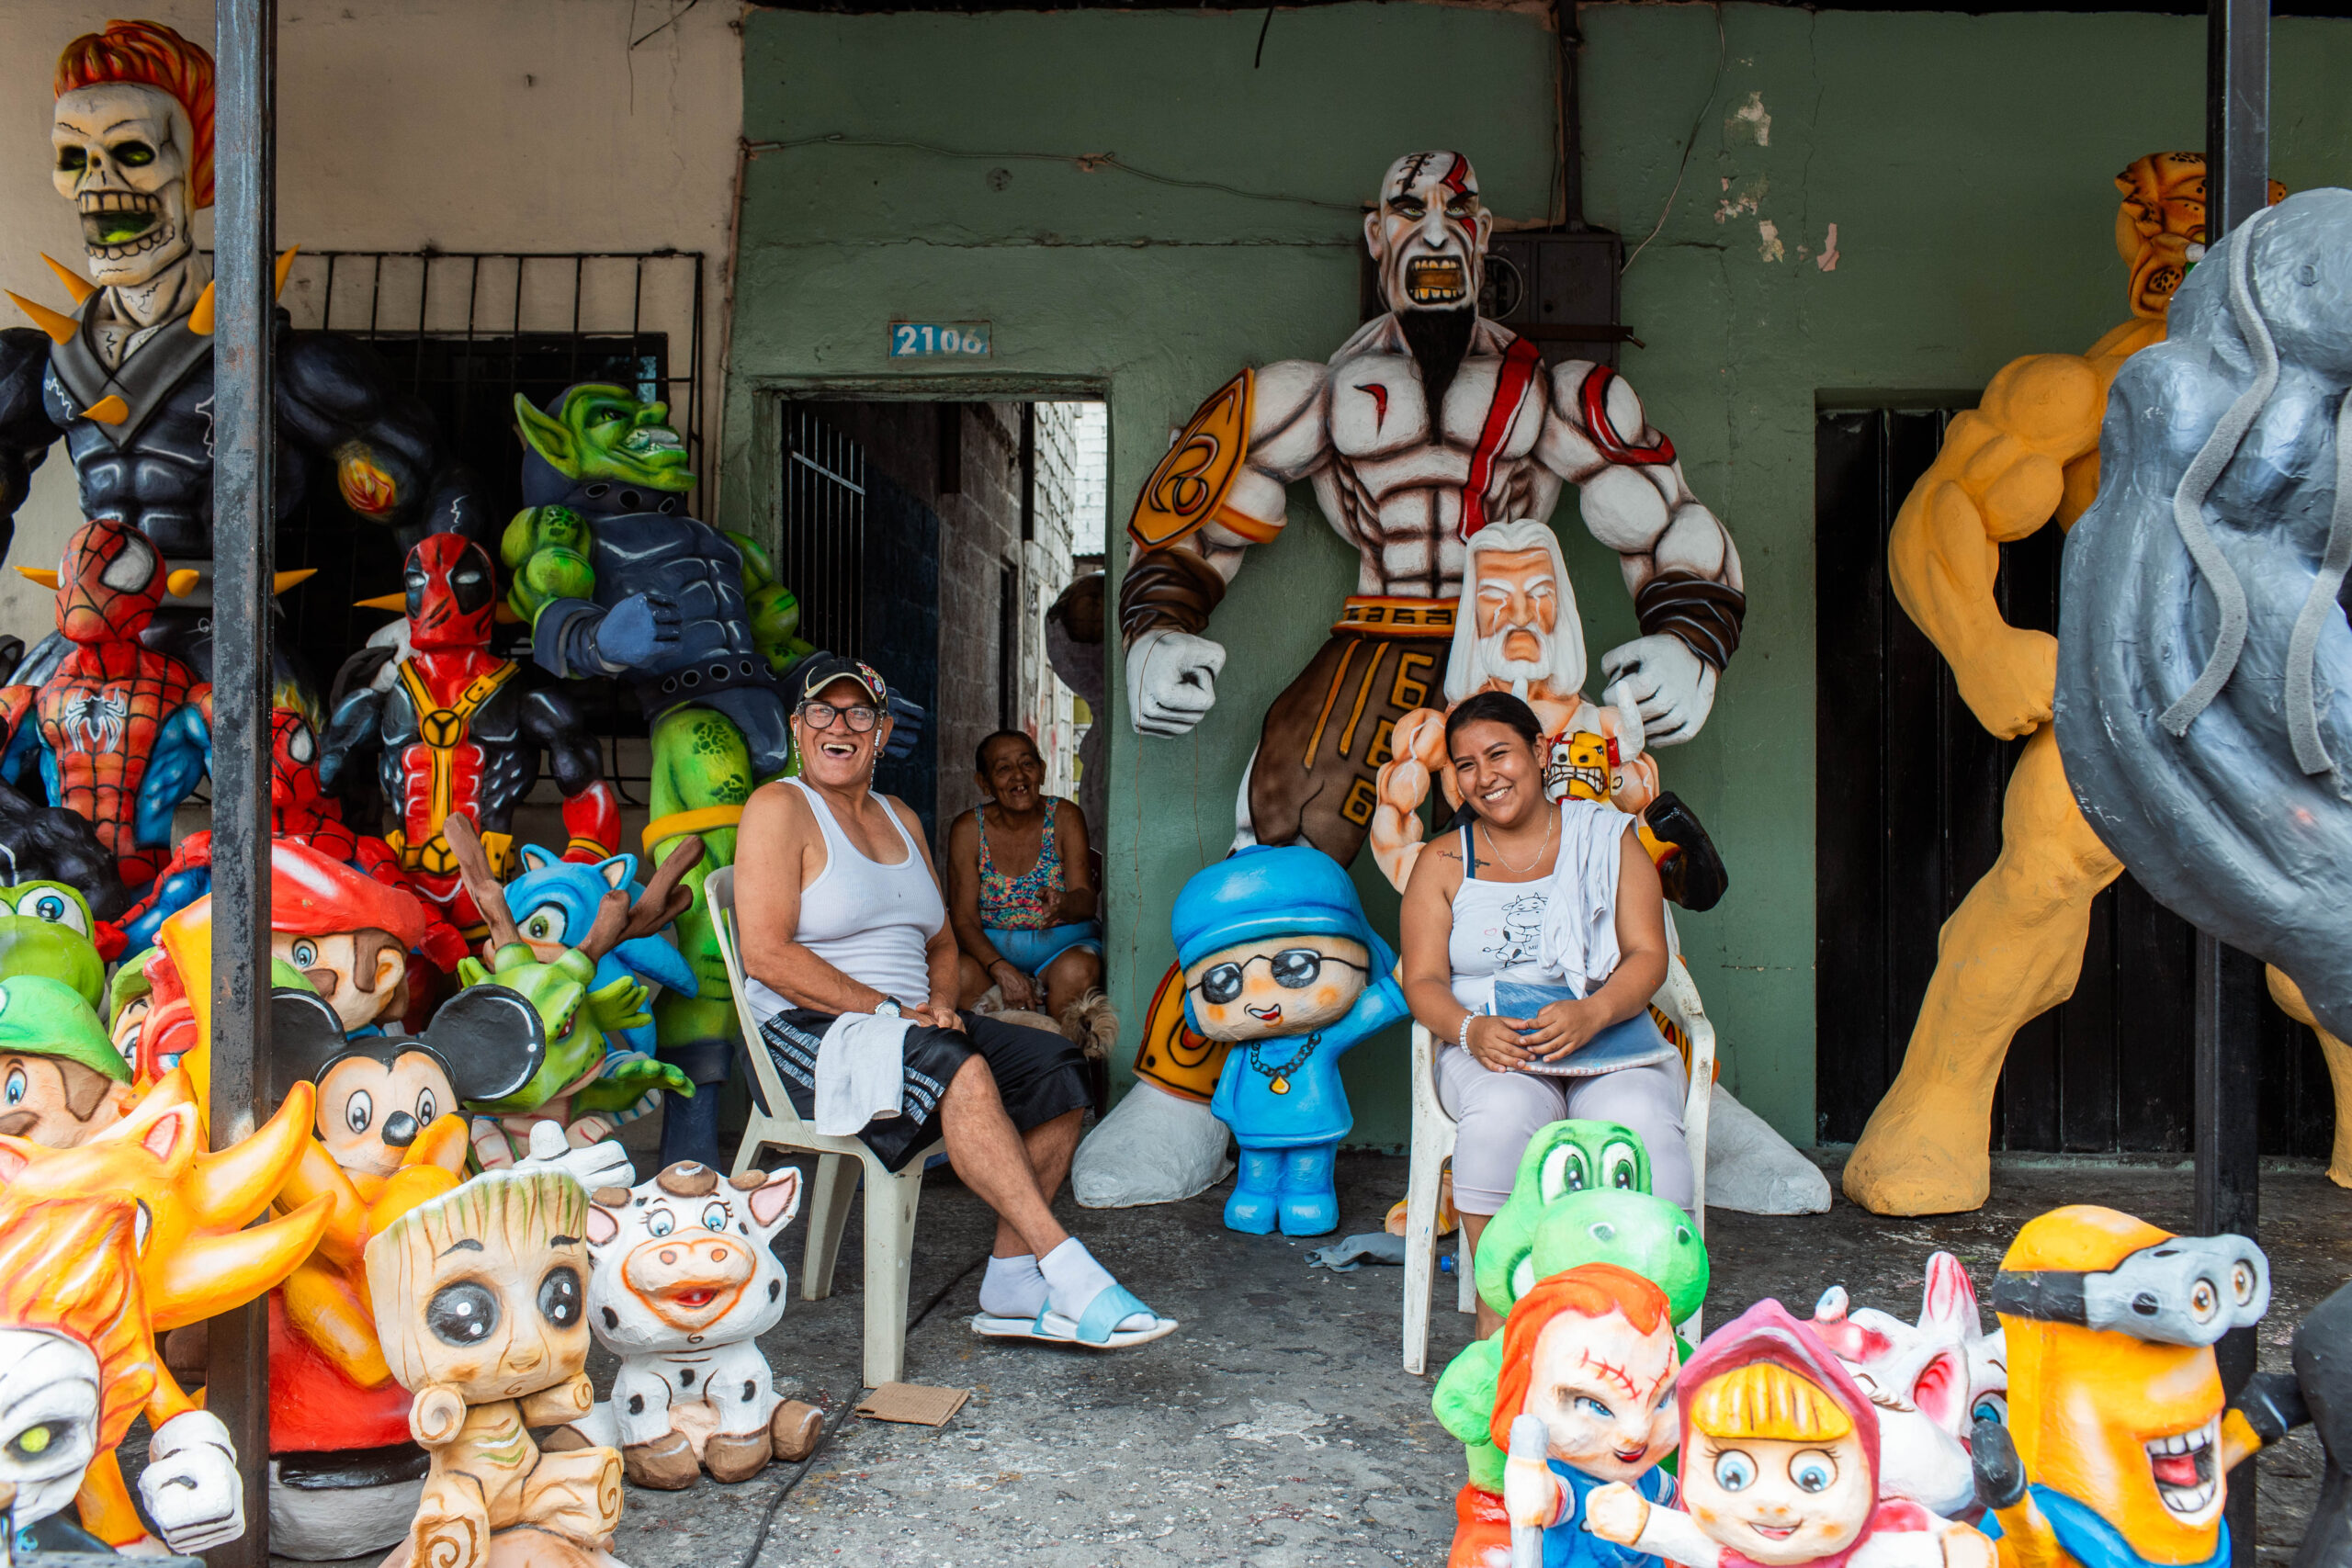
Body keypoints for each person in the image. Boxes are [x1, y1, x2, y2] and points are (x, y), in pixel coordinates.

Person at [733, 653, 1174, 1348]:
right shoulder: (780, 807)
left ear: (879, 732)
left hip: (909, 1023)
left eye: (858, 713)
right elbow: (768, 955)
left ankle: (1010, 1277)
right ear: (798, 726)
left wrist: (939, 1001)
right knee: (959, 1063)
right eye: (822, 710)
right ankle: (1070, 1269)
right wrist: (887, 1009)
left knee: (1058, 1066)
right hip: (810, 1028)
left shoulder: (900, 815)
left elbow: (942, 938)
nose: (838, 725)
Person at [1400, 690, 1690, 1338]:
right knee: (1504, 1117)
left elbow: (1647, 955)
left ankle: (1644, 1324)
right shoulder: (1442, 861)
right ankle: (1502, 1325)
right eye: (1465, 765)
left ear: (1538, 751)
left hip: (1605, 1032)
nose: (1484, 777)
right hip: (1492, 1045)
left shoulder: (1609, 839)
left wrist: (1593, 1012)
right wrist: (1470, 1030)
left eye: (1498, 753)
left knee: (1639, 1120)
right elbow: (1421, 980)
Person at [946, 730, 1102, 1021]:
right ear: (984, 782)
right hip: (991, 956)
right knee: (958, 975)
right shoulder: (968, 830)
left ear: (1041, 771)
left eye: (1027, 764)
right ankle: (988, 1063)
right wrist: (1000, 968)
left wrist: (1063, 903)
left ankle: (1062, 1059)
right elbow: (963, 919)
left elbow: (1086, 901)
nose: (1019, 776)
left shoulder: (1065, 817)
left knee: (1078, 970)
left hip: (1062, 948)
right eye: (1004, 769)